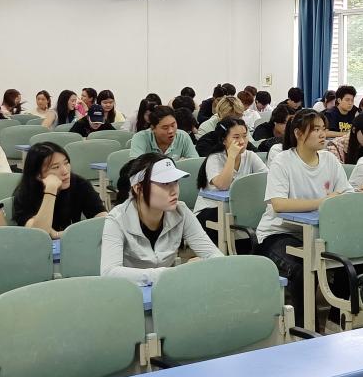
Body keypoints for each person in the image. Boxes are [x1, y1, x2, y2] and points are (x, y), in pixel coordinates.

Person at [255, 109, 352, 320]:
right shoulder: (283, 161)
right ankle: (305, 328)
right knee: (302, 270)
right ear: (298, 134)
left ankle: (336, 321)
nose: (322, 134)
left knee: (347, 262)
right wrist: (323, 202)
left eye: (323, 128)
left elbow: (346, 194)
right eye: (315, 129)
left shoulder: (329, 160)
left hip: (318, 233)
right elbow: (279, 204)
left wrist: (334, 199)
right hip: (278, 234)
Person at [101, 154, 222, 283]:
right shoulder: (117, 219)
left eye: (175, 182)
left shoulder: (181, 211)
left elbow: (215, 256)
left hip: (166, 288)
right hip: (131, 291)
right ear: (138, 188)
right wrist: (173, 273)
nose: (174, 191)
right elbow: (109, 272)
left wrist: (203, 265)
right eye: (165, 183)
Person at [193, 117, 267, 243]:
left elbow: (266, 178)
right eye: (236, 137)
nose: (242, 141)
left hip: (238, 207)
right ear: (224, 140)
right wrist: (232, 156)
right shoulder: (215, 158)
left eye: (245, 136)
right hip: (211, 210)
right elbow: (223, 185)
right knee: (231, 217)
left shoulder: (250, 156)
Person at [12, 142, 105, 238]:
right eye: (56, 167)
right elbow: (39, 235)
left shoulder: (79, 184)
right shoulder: (25, 194)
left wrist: (57, 234)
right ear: (38, 175)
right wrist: (51, 190)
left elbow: (103, 220)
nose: (65, 171)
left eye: (66, 163)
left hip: (73, 242)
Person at [128, 105, 196, 159]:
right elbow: (136, 166)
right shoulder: (140, 138)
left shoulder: (183, 137)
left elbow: (194, 163)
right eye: (165, 128)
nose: (171, 131)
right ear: (153, 128)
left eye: (173, 125)